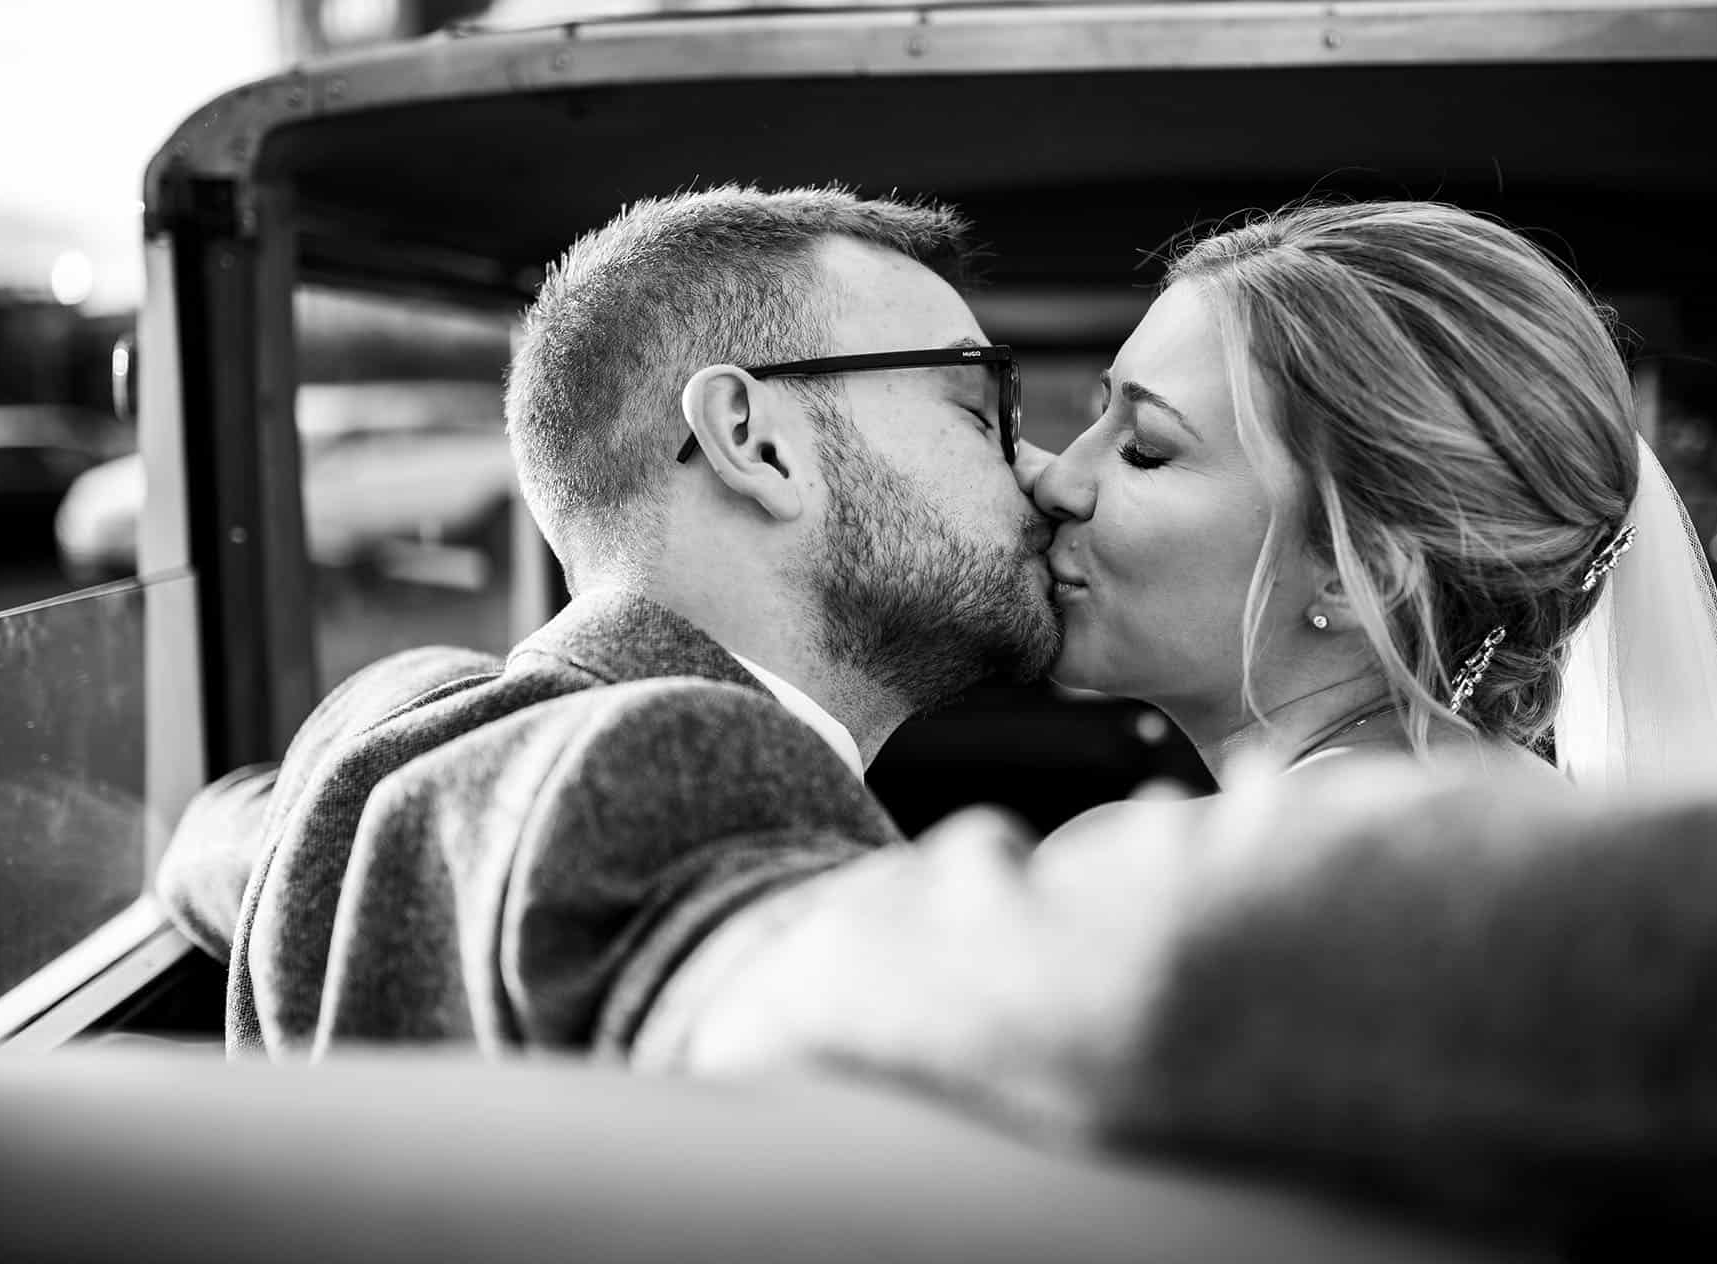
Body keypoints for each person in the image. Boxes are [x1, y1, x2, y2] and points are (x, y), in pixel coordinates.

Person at [157, 183, 1062, 1059]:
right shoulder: (666, 776)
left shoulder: (404, 739)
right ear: (756, 442)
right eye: (979, 409)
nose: (1044, 469)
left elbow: (211, 839)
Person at [1020, 200, 1717, 811]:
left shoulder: (1159, 879)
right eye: (1099, 414)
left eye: (1146, 449)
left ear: (1363, 574)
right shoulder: (1578, 843)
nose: (1057, 480)